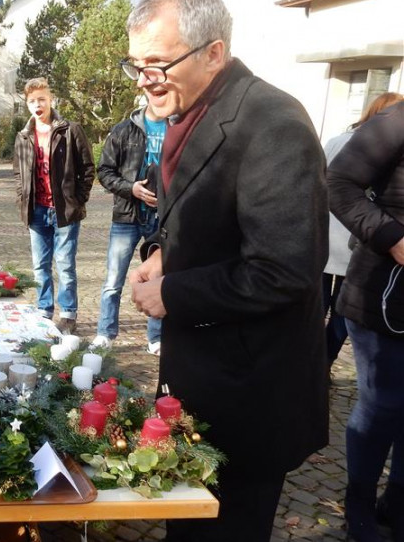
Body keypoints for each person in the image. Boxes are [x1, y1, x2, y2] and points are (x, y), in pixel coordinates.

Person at [125, 1, 329, 540]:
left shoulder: (274, 124)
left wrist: (173, 293)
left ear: (213, 53)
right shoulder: (187, 114)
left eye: (157, 64)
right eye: (136, 65)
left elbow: (284, 269)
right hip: (199, 379)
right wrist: (160, 253)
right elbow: (190, 218)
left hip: (249, 396)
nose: (144, 80)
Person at [328, 100, 404, 542]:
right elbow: (337, 182)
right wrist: (393, 238)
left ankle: (395, 505)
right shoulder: (397, 119)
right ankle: (358, 507)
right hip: (383, 297)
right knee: (383, 405)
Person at [322, 92, 404, 374]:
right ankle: (323, 361)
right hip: (360, 239)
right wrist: (390, 237)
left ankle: (314, 363)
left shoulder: (336, 140)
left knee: (321, 304)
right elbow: (334, 183)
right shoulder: (382, 133)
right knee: (336, 308)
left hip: (337, 237)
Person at [13, 77, 95, 334]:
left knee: (65, 265)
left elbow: (87, 168)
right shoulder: (23, 136)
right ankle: (44, 311)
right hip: (36, 210)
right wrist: (22, 199)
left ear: (51, 100)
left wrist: (77, 200)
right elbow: (18, 173)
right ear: (27, 104)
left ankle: (68, 314)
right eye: (32, 101)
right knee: (40, 265)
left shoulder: (70, 130)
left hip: (64, 211)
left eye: (42, 99)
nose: (38, 105)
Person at [94, 102, 165, 354]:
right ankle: (105, 333)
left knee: (158, 277)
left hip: (163, 218)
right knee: (113, 280)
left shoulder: (178, 128)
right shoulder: (125, 129)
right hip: (127, 215)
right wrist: (131, 188)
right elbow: (104, 170)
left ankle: (156, 337)